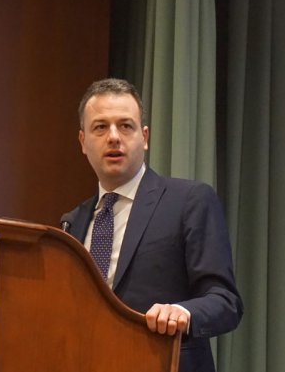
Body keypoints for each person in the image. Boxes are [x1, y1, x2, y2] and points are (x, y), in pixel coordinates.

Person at [63, 78, 243, 372]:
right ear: (83, 142)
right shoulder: (72, 223)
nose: (114, 137)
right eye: (100, 127)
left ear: (144, 137)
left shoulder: (189, 201)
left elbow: (225, 302)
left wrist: (182, 312)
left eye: (125, 126)